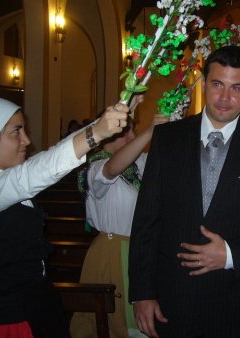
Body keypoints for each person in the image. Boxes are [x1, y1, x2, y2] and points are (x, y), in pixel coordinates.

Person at [128, 45, 240, 338]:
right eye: (217, 84)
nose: (225, 97)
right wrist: (142, 293)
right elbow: (146, 220)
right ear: (204, 82)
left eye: (236, 88)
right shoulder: (168, 139)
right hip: (173, 295)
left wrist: (231, 255)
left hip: (238, 299)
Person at [0, 95, 127, 338]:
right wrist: (95, 132)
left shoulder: (3, 177)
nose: (26, 140)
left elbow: (47, 158)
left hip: (37, 311)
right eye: (16, 132)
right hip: (1, 323)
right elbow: (34, 174)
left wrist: (114, 114)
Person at [70, 111, 168, 338]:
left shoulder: (140, 162)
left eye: (134, 130)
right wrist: (149, 131)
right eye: (126, 132)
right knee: (117, 327)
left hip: (142, 250)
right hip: (113, 253)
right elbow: (112, 169)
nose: (132, 135)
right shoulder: (93, 167)